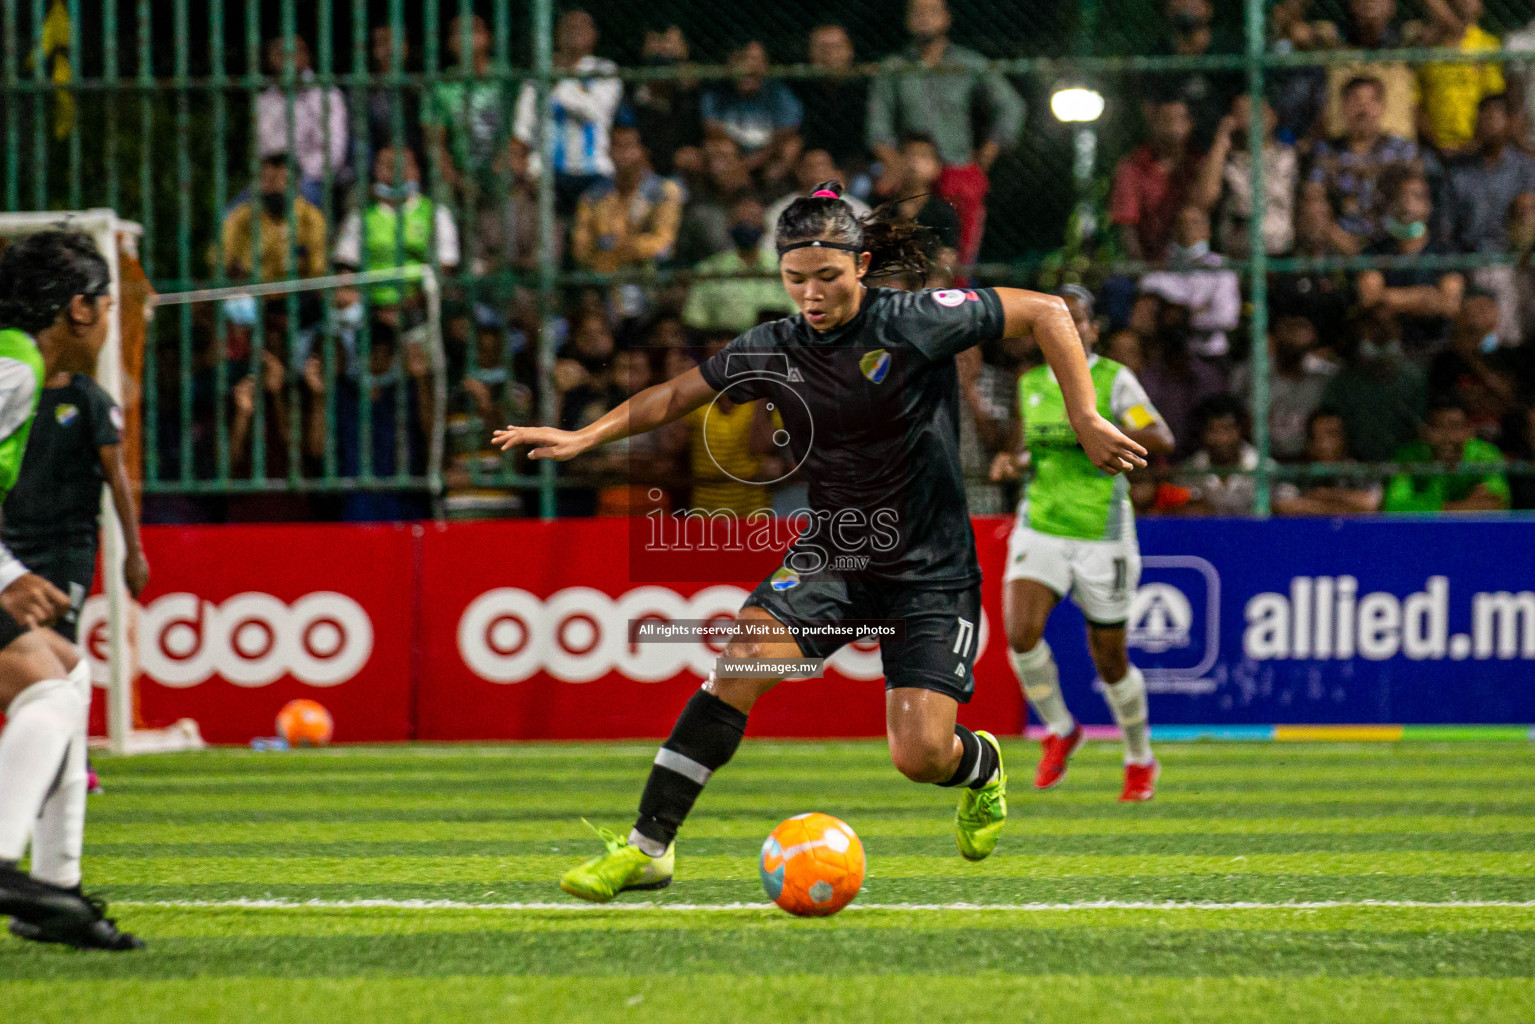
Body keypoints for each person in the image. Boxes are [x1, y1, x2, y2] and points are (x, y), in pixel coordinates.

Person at [494, 182, 1147, 902]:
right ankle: (649, 848)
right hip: (833, 555)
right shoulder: (774, 345)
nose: (810, 294)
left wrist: (1085, 417)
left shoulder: (916, 320)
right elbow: (678, 394)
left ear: (862, 266)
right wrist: (586, 434)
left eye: (827, 277)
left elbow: (1048, 311)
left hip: (929, 571)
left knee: (921, 755)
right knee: (737, 664)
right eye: (794, 279)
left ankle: (979, 766)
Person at [0, 231, 142, 949]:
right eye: (112, 304)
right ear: (81, 309)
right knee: (52, 684)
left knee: (64, 670)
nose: (115, 320)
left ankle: (54, 891)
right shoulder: (15, 369)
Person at [988, 286, 1174, 800]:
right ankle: (1060, 729)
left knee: (1109, 659)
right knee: (1021, 633)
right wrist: (1012, 462)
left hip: (1102, 533)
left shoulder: (1115, 381)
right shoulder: (1030, 384)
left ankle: (1139, 758)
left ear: (1091, 328)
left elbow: (1159, 436)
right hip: (1041, 523)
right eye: (1058, 320)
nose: (1069, 327)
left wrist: (1094, 430)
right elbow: (1021, 449)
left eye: (1078, 319)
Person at [867, 0, 1025, 267]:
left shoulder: (969, 63)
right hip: (911, 173)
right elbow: (877, 129)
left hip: (956, 170)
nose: (924, 18)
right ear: (907, 20)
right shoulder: (893, 67)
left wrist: (987, 153)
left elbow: (1012, 107)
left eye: (932, 11)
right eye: (917, 12)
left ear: (946, 18)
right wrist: (899, 166)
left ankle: (960, 296)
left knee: (957, 259)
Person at [1443, 94, 1535, 340]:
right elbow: (1446, 227)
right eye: (1481, 118)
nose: (1486, 124)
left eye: (1493, 118)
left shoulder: (1526, 168)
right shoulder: (1458, 171)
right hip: (1466, 260)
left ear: (1509, 122)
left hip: (1512, 261)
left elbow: (1528, 222)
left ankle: (1508, 351)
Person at [512, 9, 623, 214]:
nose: (574, 32)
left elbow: (593, 111)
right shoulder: (537, 76)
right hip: (546, 173)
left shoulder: (604, 70)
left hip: (593, 171)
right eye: (568, 27)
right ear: (556, 34)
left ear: (594, 35)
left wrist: (559, 80)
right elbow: (523, 128)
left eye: (581, 27)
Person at [333, 146, 460, 319]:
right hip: (369, 307)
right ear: (376, 170)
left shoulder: (435, 214)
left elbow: (445, 266)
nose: (395, 171)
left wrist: (406, 307)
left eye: (403, 165)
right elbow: (346, 265)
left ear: (416, 171)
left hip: (420, 306)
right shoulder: (361, 217)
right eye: (387, 165)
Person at [1305, 75, 1418, 252]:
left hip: (1393, 246)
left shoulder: (1401, 150)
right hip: (1340, 247)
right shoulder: (1327, 151)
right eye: (1356, 100)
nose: (1364, 109)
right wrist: (1339, 238)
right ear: (1344, 107)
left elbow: (1418, 199)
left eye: (1371, 100)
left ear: (1381, 107)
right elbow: (1313, 197)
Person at [1356, 163, 1463, 351]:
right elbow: (1371, 300)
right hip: (1388, 350)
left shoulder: (1445, 252)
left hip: (1436, 346)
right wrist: (1427, 296)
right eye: (1400, 196)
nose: (1407, 204)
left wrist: (1391, 299)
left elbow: (1450, 304)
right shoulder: (1374, 251)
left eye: (1416, 197)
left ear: (1429, 205)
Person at [1192, 94, 1297, 256]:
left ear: (1273, 117)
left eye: (1257, 112)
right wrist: (1221, 140)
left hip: (1281, 255)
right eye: (1243, 113)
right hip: (1237, 256)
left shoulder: (1290, 157)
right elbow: (1203, 201)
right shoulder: (1226, 161)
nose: (1253, 119)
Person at [253, 35, 348, 209]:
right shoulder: (263, 101)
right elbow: (262, 149)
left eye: (295, 51)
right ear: (269, 58)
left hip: (311, 179)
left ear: (307, 56)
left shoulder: (327, 95)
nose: (289, 58)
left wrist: (292, 176)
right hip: (270, 180)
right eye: (281, 53)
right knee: (228, 216)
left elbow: (334, 153)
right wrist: (274, 176)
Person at [1136, 205, 1241, 361]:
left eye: (1195, 223)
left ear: (1207, 231)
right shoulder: (1160, 269)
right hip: (1165, 358)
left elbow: (1226, 318)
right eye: (1182, 224)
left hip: (1210, 357)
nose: (1188, 229)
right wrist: (1199, 310)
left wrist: (1179, 314)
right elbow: (1144, 316)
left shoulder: (1222, 269)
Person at [681, 196, 795, 334]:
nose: (746, 225)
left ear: (765, 226)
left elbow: (798, 316)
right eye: (740, 221)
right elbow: (696, 321)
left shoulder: (785, 267)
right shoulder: (709, 269)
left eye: (752, 220)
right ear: (729, 225)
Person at [1231, 313, 1336, 461]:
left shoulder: (1323, 376)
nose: (1294, 334)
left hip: (1306, 459)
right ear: (1274, 339)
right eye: (1290, 328)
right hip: (1260, 458)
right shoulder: (1250, 374)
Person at [700, 40, 803, 188]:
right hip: (734, 151)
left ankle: (772, 192)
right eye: (741, 59)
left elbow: (786, 133)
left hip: (768, 151)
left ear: (765, 66)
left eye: (754, 60)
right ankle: (729, 196)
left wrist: (749, 163)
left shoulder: (778, 92)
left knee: (791, 147)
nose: (747, 67)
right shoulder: (717, 93)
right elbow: (712, 128)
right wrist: (738, 161)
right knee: (717, 148)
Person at [1110, 98, 1201, 262]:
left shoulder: (1200, 163)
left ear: (1190, 123)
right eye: (1166, 120)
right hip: (1149, 262)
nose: (1172, 128)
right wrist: (1143, 272)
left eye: (1179, 119)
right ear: (1154, 122)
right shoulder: (1132, 166)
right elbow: (1127, 228)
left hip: (1195, 263)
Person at [1382, 397, 1510, 512]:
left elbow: (1495, 504)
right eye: (1437, 427)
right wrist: (1466, 507)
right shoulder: (1408, 457)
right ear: (1424, 432)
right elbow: (1394, 507)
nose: (1446, 437)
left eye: (1454, 427)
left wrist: (1424, 507)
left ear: (1469, 431)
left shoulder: (1486, 455)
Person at [219, 155, 328, 283]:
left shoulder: (311, 218)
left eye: (284, 181)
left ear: (297, 184)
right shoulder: (242, 217)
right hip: (252, 293)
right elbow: (220, 261)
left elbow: (318, 271)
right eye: (269, 180)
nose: (277, 187)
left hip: (297, 295)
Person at [1416, 0, 1503, 157]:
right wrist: (1437, 143)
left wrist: (1477, 143)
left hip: (1478, 146)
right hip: (1433, 148)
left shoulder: (1489, 45)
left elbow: (1493, 103)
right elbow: (1415, 104)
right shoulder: (1426, 49)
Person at [1272, 410, 1383, 515]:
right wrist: (1343, 509)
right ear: (1310, 444)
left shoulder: (1359, 470)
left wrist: (1328, 495)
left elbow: (1371, 504)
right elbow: (1284, 505)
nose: (1326, 444)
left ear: (1344, 439)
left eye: (1332, 435)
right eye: (1319, 437)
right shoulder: (1299, 471)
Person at [796, 24, 870, 174]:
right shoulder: (798, 90)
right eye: (822, 48)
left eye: (836, 47)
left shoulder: (865, 91)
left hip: (855, 169)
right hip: (809, 168)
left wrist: (844, 175)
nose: (829, 55)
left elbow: (866, 147)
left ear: (850, 51)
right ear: (809, 52)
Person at [1181, 393, 1259, 515]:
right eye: (1212, 430)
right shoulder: (1191, 470)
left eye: (1227, 429)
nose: (1221, 439)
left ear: (1241, 430)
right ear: (1202, 433)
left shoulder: (1261, 467)